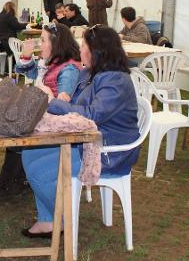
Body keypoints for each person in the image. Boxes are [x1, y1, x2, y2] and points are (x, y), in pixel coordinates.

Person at [21, 25, 139, 238]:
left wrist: (53, 102)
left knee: (39, 172)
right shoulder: (90, 73)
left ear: (97, 51)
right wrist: (54, 101)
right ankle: (49, 220)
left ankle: (63, 220)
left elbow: (92, 115)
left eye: (84, 45)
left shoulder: (116, 81)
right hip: (88, 142)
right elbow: (75, 105)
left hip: (108, 152)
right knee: (30, 153)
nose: (80, 49)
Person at [0, 22, 81, 199]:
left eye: (43, 40)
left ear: (56, 43)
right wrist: (26, 56)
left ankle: (10, 182)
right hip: (43, 112)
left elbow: (64, 101)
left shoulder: (68, 68)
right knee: (11, 121)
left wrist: (47, 96)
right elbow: (33, 75)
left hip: (56, 120)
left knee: (15, 126)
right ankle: (13, 180)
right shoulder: (52, 62)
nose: (39, 44)